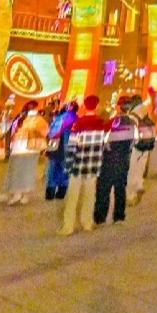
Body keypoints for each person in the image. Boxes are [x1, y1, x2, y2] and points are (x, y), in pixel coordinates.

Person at [58, 95, 107, 235]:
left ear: (85, 106)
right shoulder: (101, 124)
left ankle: (68, 226)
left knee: (73, 196)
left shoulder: (79, 123)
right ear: (97, 106)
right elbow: (104, 144)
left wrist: (68, 165)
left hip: (78, 164)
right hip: (93, 164)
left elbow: (72, 146)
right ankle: (87, 222)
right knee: (90, 195)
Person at [95, 97, 138, 225]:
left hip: (109, 160)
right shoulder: (133, 124)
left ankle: (100, 218)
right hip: (124, 161)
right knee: (120, 189)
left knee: (104, 189)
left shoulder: (112, 122)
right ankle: (119, 216)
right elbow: (136, 141)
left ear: (119, 107)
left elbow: (103, 139)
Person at [0, 100, 47, 206]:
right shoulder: (31, 119)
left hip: (25, 149)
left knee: (22, 171)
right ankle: (19, 193)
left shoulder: (31, 119)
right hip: (25, 148)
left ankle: (20, 193)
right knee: (22, 171)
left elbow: (44, 131)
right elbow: (45, 131)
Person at [44, 101, 78, 200]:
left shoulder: (59, 118)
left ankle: (50, 193)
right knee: (64, 170)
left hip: (55, 146)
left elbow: (51, 132)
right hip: (67, 147)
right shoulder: (75, 117)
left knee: (52, 170)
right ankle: (61, 193)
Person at [128, 99, 157, 205]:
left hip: (136, 147)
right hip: (146, 146)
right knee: (140, 168)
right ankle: (139, 185)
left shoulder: (132, 116)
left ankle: (130, 195)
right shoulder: (146, 112)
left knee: (132, 170)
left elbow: (133, 134)